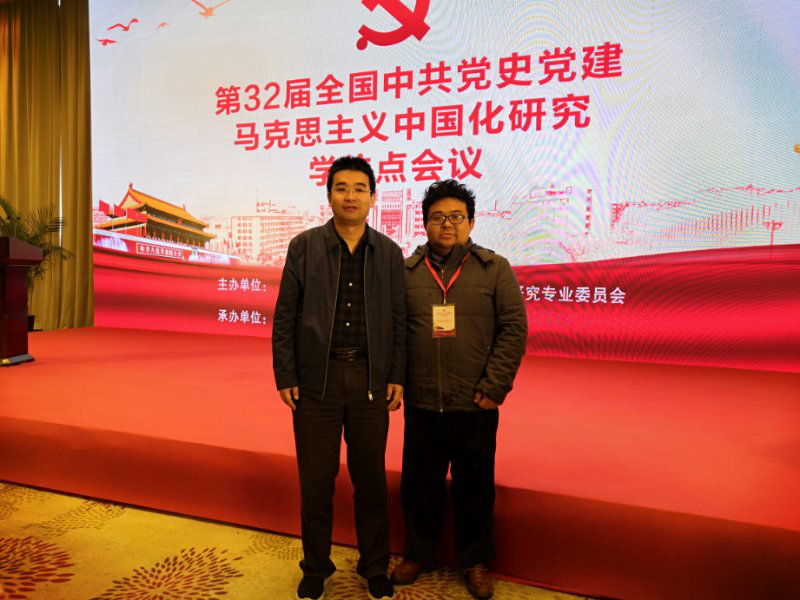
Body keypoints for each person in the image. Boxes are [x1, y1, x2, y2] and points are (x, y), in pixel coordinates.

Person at [272, 155, 406, 600]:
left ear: (372, 197)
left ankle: (374, 566)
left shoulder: (389, 253)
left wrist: (396, 374)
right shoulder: (304, 247)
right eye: (342, 188)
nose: (351, 196)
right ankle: (316, 567)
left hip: (370, 380)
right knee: (316, 482)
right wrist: (286, 373)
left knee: (370, 481)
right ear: (329, 195)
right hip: (318, 381)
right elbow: (286, 315)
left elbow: (399, 319)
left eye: (359, 188)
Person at [390, 179, 527, 599]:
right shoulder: (406, 272)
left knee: (475, 486)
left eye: (456, 217)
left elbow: (513, 329)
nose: (446, 224)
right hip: (423, 401)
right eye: (437, 217)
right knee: (419, 484)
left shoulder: (494, 268)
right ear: (425, 223)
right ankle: (419, 553)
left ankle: (475, 560)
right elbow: (394, 332)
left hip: (475, 402)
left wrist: (494, 386)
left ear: (470, 222)